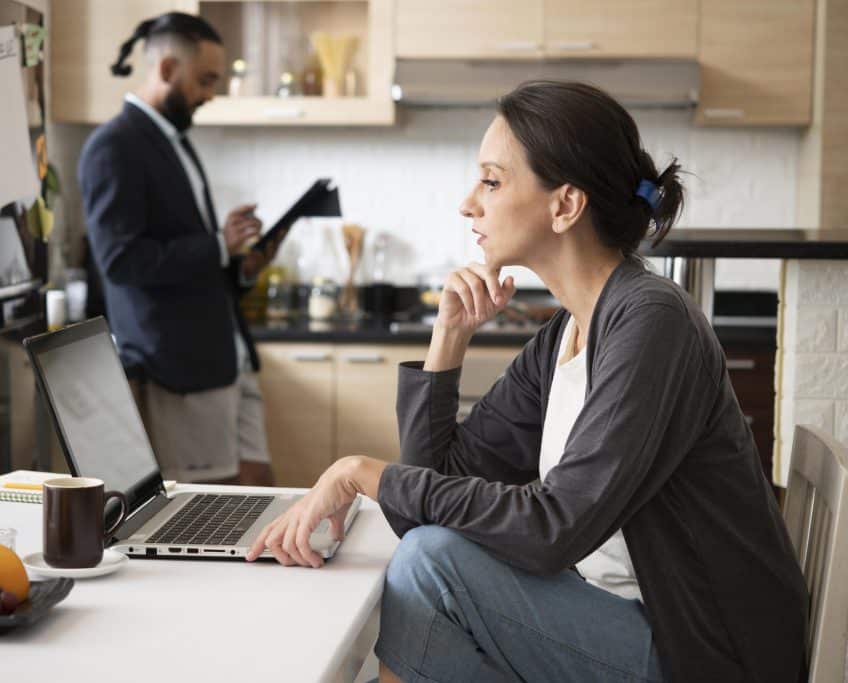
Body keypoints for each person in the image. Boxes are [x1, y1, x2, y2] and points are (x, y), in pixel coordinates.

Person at [247, 81, 808, 683]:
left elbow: (553, 527)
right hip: (616, 621)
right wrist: (448, 340)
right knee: (427, 558)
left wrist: (362, 473)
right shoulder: (568, 330)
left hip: (702, 652)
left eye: (491, 182)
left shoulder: (652, 321)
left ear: (565, 206)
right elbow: (433, 500)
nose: (468, 204)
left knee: (431, 568)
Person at [78, 13, 275, 485]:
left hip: (226, 359)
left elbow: (185, 253)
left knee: (264, 495)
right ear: (167, 69)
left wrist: (239, 263)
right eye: (205, 80)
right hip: (178, 369)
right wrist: (217, 245)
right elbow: (121, 262)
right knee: (211, 510)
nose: (210, 94)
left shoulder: (173, 142)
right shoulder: (114, 146)